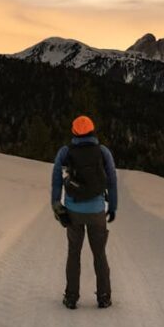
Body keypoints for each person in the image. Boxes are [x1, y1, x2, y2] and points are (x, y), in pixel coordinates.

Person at [51, 115, 118, 309]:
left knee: (74, 253)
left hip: (73, 212)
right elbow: (112, 180)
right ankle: (104, 297)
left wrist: (57, 206)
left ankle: (71, 297)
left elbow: (56, 179)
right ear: (92, 131)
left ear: (73, 132)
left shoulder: (65, 152)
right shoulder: (103, 152)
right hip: (97, 211)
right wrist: (112, 206)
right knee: (99, 254)